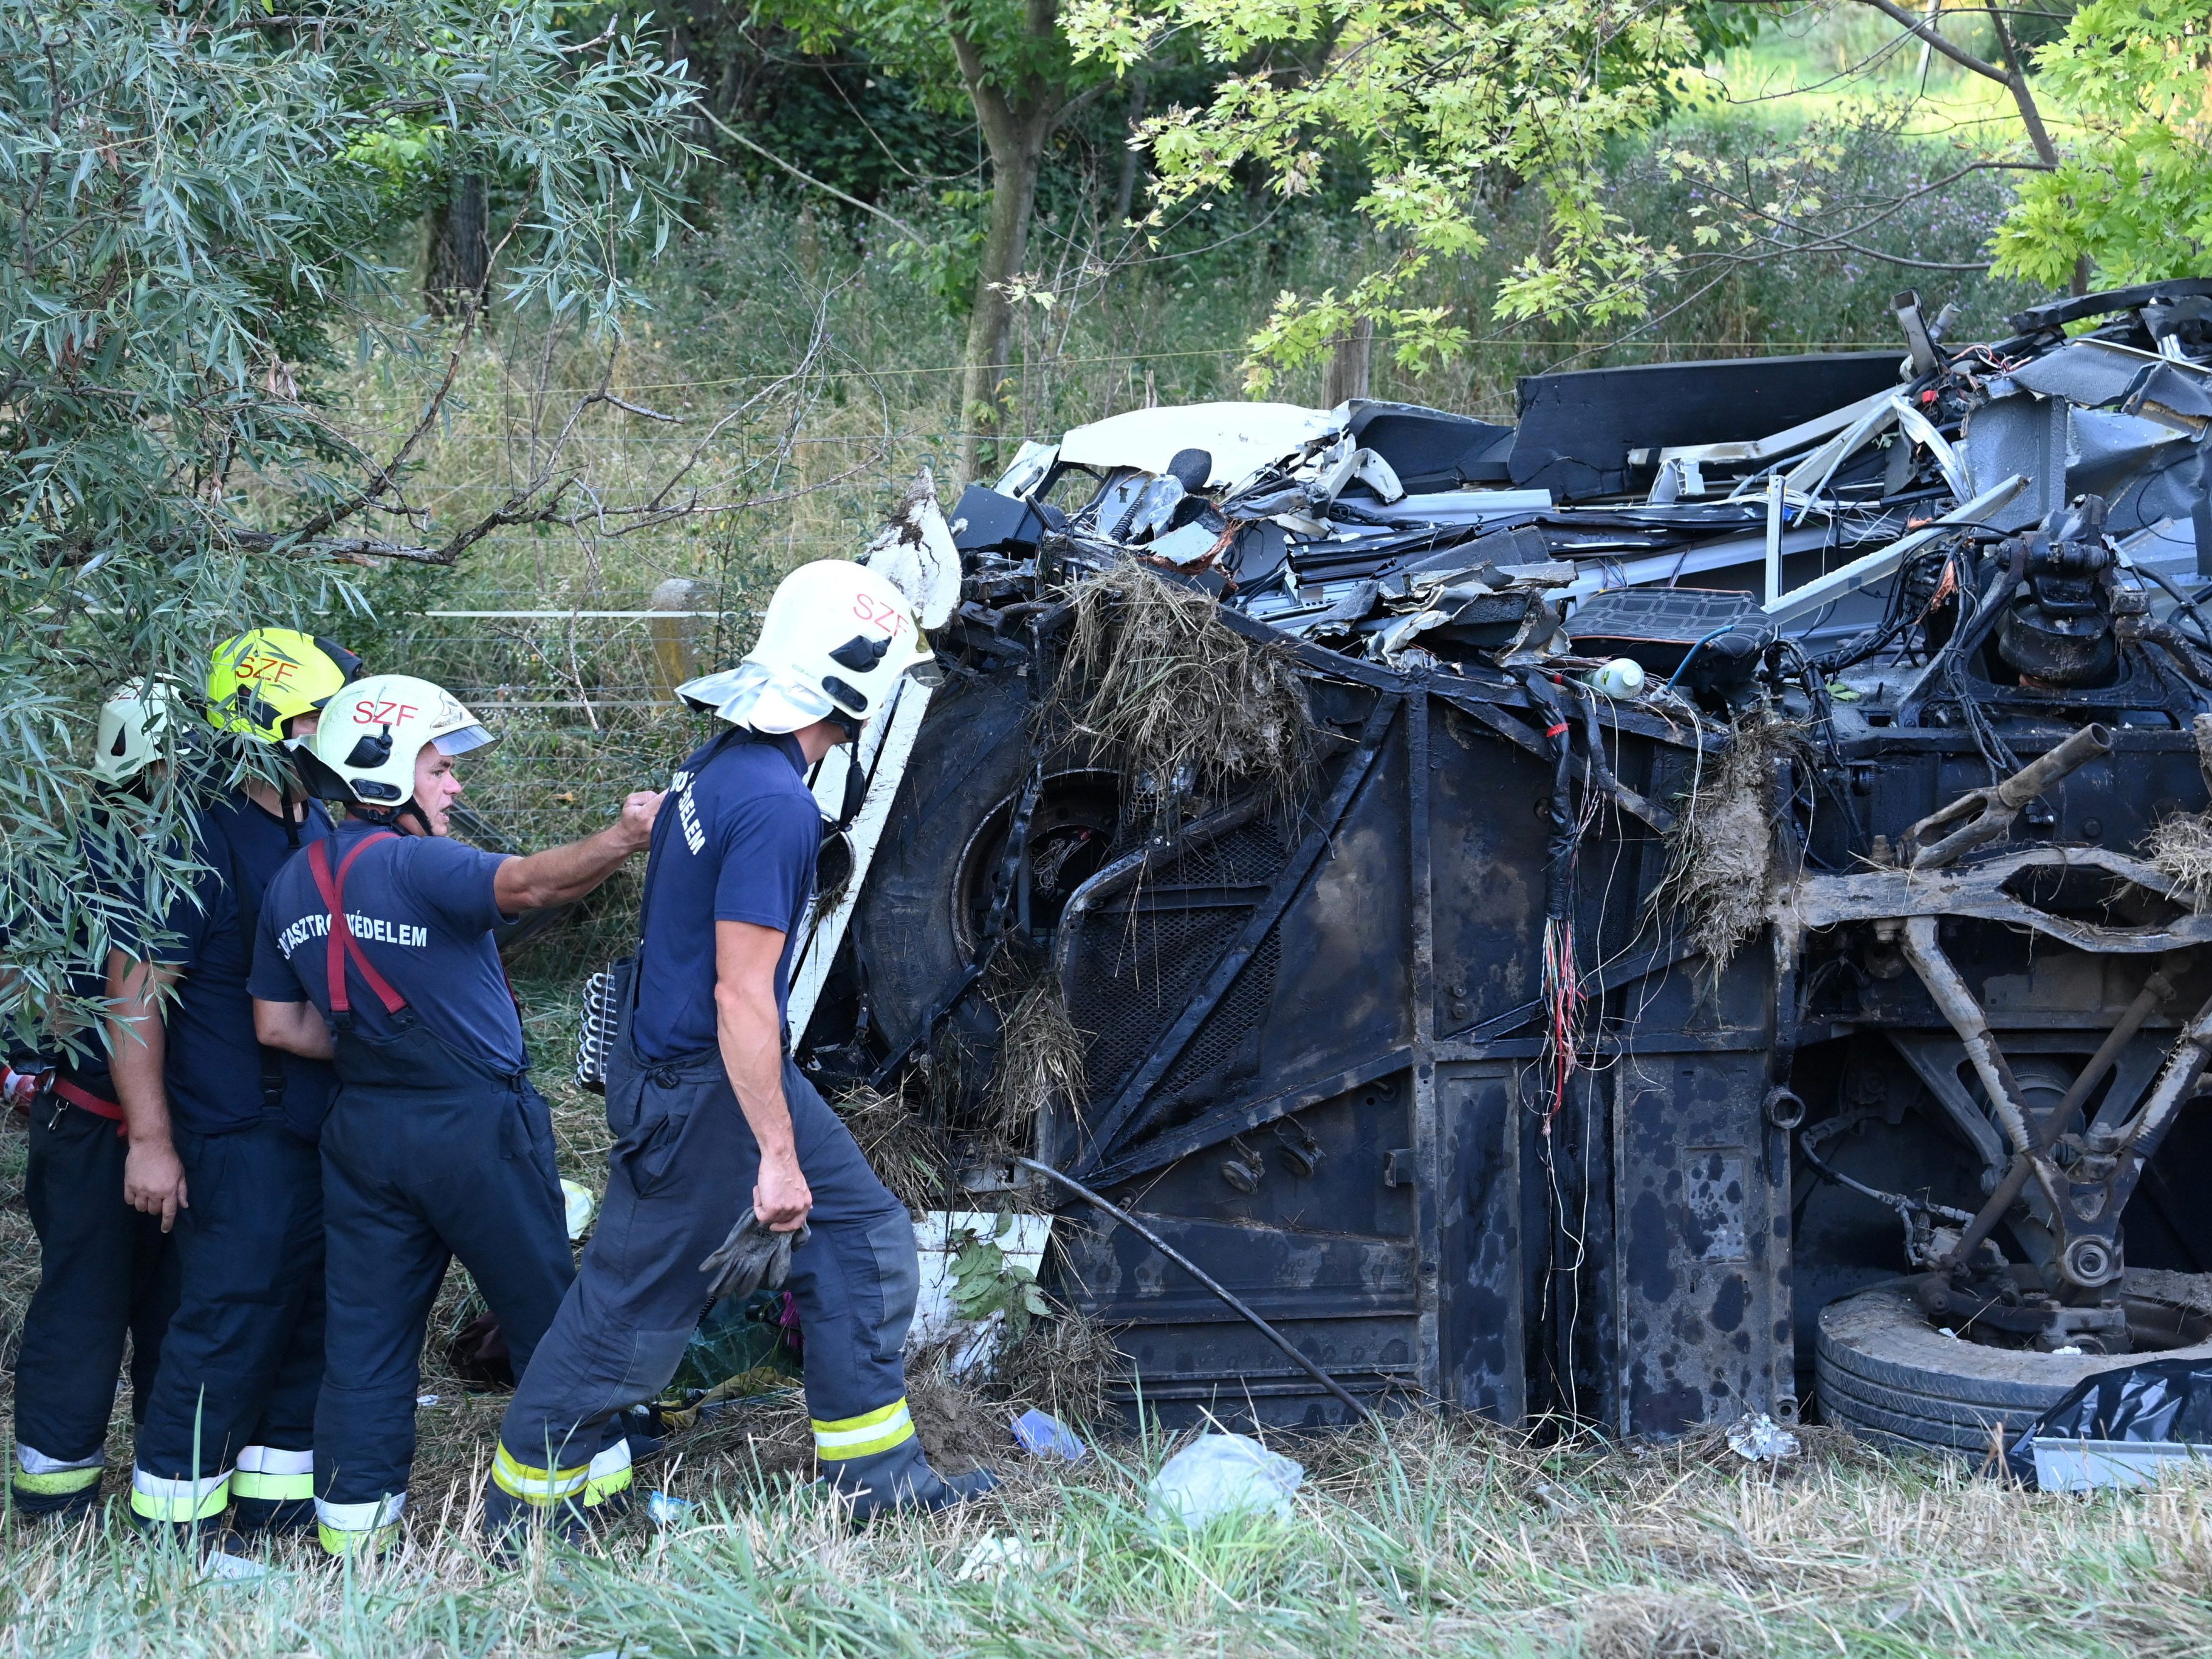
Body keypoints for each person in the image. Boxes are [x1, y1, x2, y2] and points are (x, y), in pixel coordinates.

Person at [484, 559, 992, 1542]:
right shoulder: (774, 807)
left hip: (700, 1064)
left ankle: (874, 1478)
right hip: (704, 1082)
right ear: (862, 684)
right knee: (631, 1307)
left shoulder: (718, 764)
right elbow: (742, 994)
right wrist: (773, 1153)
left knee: (863, 1236)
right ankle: (525, 1512)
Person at [250, 672, 660, 1556]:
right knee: (552, 1320)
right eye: (440, 767)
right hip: (475, 1128)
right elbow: (534, 887)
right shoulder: (414, 861)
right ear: (389, 772)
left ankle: (355, 1538)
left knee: (365, 1341)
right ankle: (580, 1515)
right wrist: (625, 836)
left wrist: (384, 1047)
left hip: (363, 1131)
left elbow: (277, 1025)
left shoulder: (292, 882)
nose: (455, 785)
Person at [109, 629, 362, 1543]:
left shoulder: (312, 821)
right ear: (272, 721)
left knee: (304, 1326)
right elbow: (132, 990)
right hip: (234, 1133)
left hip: (313, 1127)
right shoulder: (196, 834)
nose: (340, 730)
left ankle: (273, 1520)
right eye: (321, 713)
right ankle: (173, 1533)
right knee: (224, 1328)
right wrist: (150, 1139)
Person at [9, 680, 183, 1519]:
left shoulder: (54, 850)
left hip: (75, 1118)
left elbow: (21, 985)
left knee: (83, 1301)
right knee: (138, 1306)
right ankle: (100, 1487)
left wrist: (35, 1061)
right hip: (119, 1127)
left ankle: (57, 1496)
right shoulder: (167, 857)